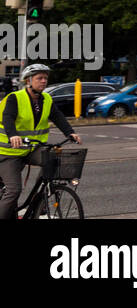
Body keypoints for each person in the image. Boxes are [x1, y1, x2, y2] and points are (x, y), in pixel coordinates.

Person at [0, 64, 82, 219]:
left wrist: (70, 132)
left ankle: (40, 200)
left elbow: (57, 116)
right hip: (7, 151)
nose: (44, 81)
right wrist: (12, 135)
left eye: (45, 78)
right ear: (29, 81)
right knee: (13, 190)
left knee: (52, 159)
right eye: (39, 78)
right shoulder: (15, 98)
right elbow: (8, 118)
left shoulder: (46, 99)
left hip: (29, 149)